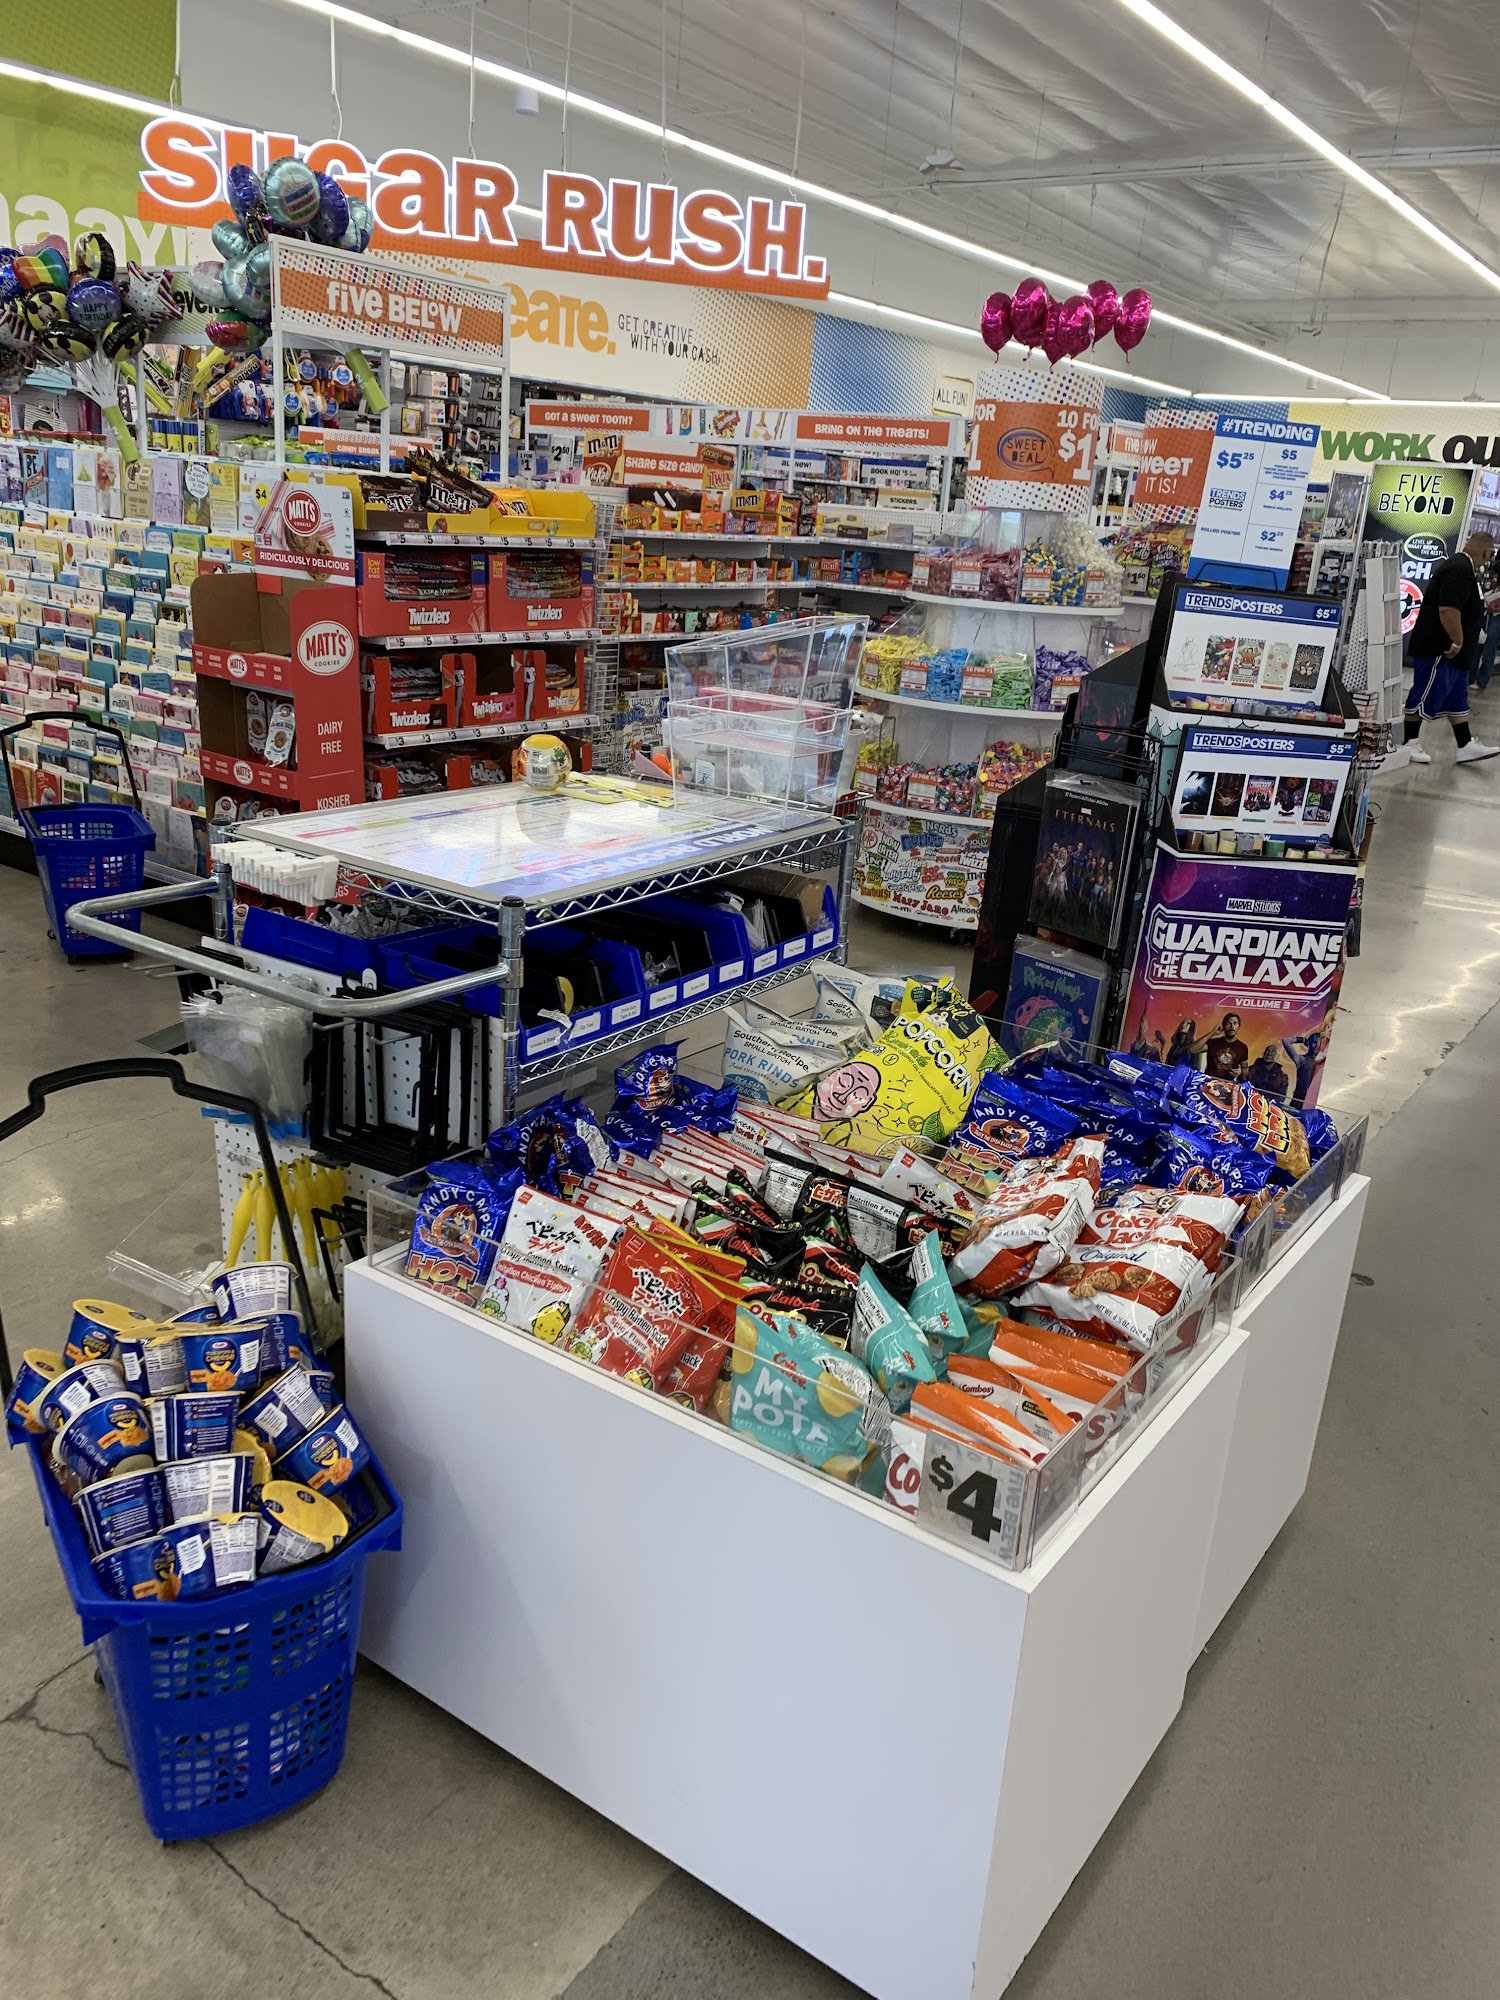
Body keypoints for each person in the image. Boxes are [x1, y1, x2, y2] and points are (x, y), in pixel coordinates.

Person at [1386, 530, 1499, 768]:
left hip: (1457, 656)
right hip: (1441, 649)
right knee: (1424, 693)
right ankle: (1409, 742)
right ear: (1485, 552)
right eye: (1489, 555)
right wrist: (1457, 640)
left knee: (1457, 699)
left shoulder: (1464, 569)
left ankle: (1465, 744)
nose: (1488, 561)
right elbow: (1448, 609)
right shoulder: (1459, 570)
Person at [1189, 1011, 1249, 1082]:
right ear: (1223, 1026)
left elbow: (1245, 1069)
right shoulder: (1213, 1042)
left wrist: (1240, 1072)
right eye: (1228, 1024)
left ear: (1238, 1026)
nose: (1232, 1027)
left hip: (1228, 1084)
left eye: (1235, 1023)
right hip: (1210, 1082)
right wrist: (1212, 1033)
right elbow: (1193, 1049)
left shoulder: (1242, 1047)